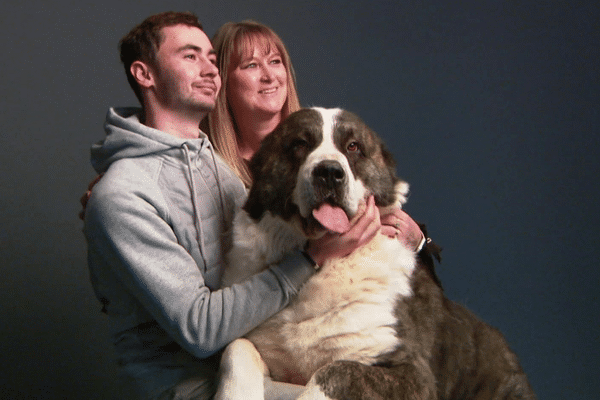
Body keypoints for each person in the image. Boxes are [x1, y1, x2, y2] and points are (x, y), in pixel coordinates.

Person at [83, 11, 383, 400]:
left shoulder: (219, 169)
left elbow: (287, 236)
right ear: (145, 74)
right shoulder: (122, 195)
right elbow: (201, 331)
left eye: (211, 58)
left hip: (255, 355)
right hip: (191, 383)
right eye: (190, 56)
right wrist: (312, 258)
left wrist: (396, 229)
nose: (209, 69)